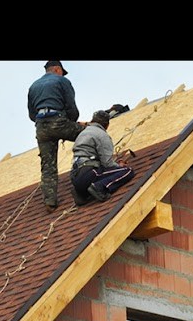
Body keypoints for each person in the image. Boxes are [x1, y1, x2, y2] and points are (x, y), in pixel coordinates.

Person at [28, 60, 86, 212]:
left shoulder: (33, 86)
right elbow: (71, 107)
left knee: (48, 165)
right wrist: (71, 124)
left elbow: (31, 114)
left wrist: (45, 122)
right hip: (58, 120)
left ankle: (50, 201)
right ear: (57, 69)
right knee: (88, 134)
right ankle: (93, 171)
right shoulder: (62, 81)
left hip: (41, 127)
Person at [70, 110, 135, 206]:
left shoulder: (83, 133)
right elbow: (107, 163)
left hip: (75, 176)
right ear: (107, 125)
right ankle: (99, 187)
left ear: (92, 120)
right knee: (128, 171)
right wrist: (119, 166)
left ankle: (81, 193)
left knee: (98, 172)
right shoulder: (102, 135)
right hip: (89, 172)